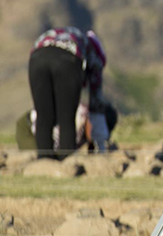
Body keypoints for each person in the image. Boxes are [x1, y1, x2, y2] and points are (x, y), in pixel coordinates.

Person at [28, 27, 107, 159]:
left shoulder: (72, 35)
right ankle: (68, 164)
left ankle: (44, 163)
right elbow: (96, 94)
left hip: (37, 58)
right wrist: (100, 142)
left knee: (43, 117)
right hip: (67, 59)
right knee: (67, 118)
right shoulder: (92, 50)